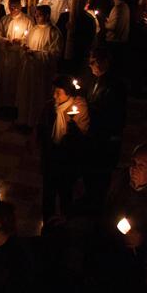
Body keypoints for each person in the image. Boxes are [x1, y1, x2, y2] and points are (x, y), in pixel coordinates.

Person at [39, 75, 90, 222]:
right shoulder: (50, 107)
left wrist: (73, 128)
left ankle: (64, 226)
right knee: (48, 196)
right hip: (50, 160)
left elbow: (81, 140)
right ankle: (46, 224)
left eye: (58, 93)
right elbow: (42, 128)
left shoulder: (80, 109)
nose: (54, 95)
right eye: (54, 91)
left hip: (67, 163)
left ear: (69, 94)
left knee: (65, 196)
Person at [83, 47, 127, 212]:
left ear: (105, 62)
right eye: (90, 62)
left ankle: (98, 206)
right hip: (93, 135)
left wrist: (88, 109)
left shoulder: (115, 85)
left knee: (101, 175)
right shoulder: (93, 79)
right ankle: (90, 198)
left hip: (105, 139)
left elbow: (114, 114)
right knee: (89, 171)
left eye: (94, 62)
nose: (91, 66)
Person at [15, 5, 62, 129]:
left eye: (39, 14)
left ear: (47, 15)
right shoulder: (33, 29)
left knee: (39, 95)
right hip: (29, 68)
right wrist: (24, 48)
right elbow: (25, 42)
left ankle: (38, 123)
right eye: (35, 14)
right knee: (27, 94)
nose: (36, 17)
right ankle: (25, 120)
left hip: (42, 70)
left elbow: (55, 53)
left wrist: (36, 54)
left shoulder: (54, 32)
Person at [0, 0, 33, 110]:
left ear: (21, 6)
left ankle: (17, 107)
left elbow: (30, 36)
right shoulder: (4, 19)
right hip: (6, 55)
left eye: (16, 7)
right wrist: (6, 41)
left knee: (18, 82)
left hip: (19, 56)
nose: (13, 9)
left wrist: (21, 41)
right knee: (5, 81)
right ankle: (5, 106)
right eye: (11, 7)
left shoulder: (28, 20)